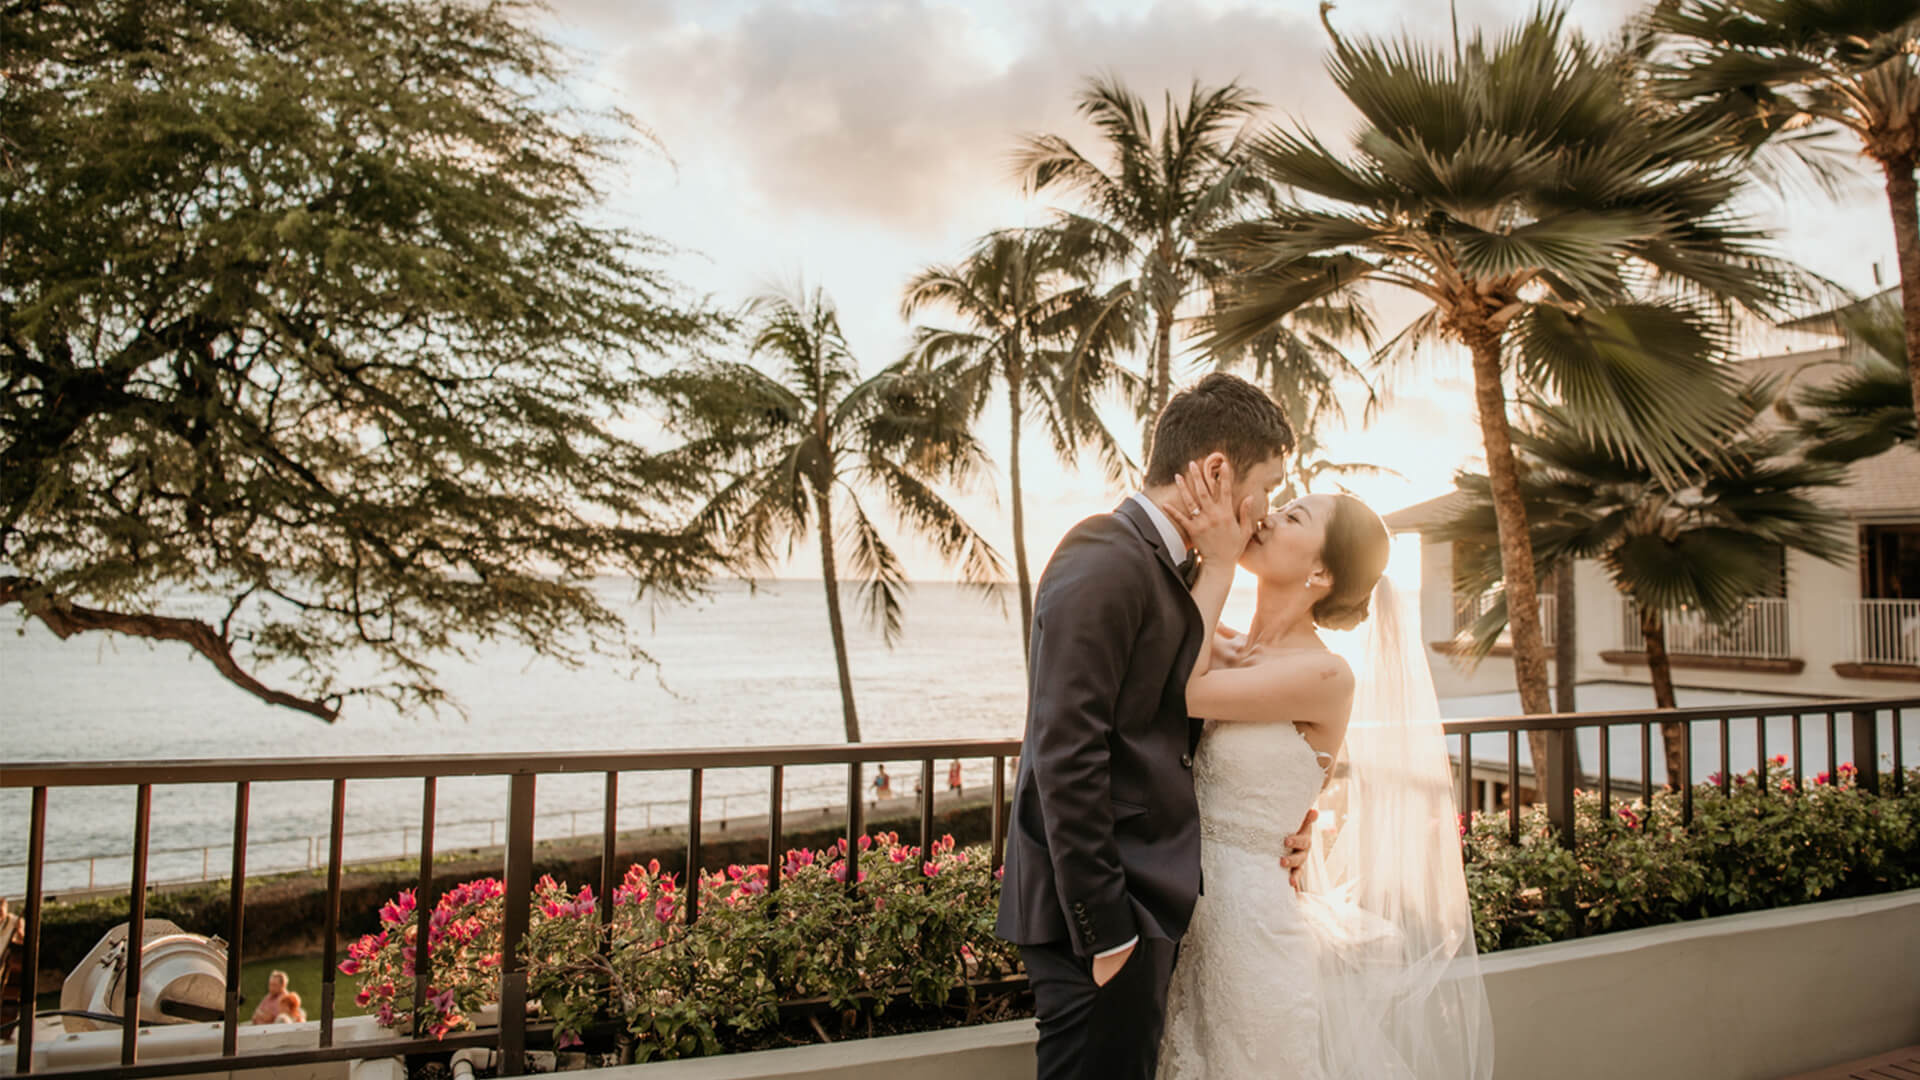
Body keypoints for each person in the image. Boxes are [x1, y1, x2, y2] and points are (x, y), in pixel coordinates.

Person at [995, 373, 1318, 1080]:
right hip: (1106, 917)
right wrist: (1106, 929)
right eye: (1267, 485)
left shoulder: (1177, 571)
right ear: (1213, 471)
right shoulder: (1105, 557)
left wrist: (1298, 814)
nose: (1265, 512)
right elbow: (1065, 752)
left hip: (1148, 907)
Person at [1156, 470, 1493, 1079]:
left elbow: (1185, 690)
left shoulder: (1325, 674)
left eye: (1294, 518)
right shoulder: (1232, 647)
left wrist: (1222, 565)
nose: (1270, 517)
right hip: (1195, 921)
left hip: (1253, 931)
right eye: (1281, 506)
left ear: (1320, 575)